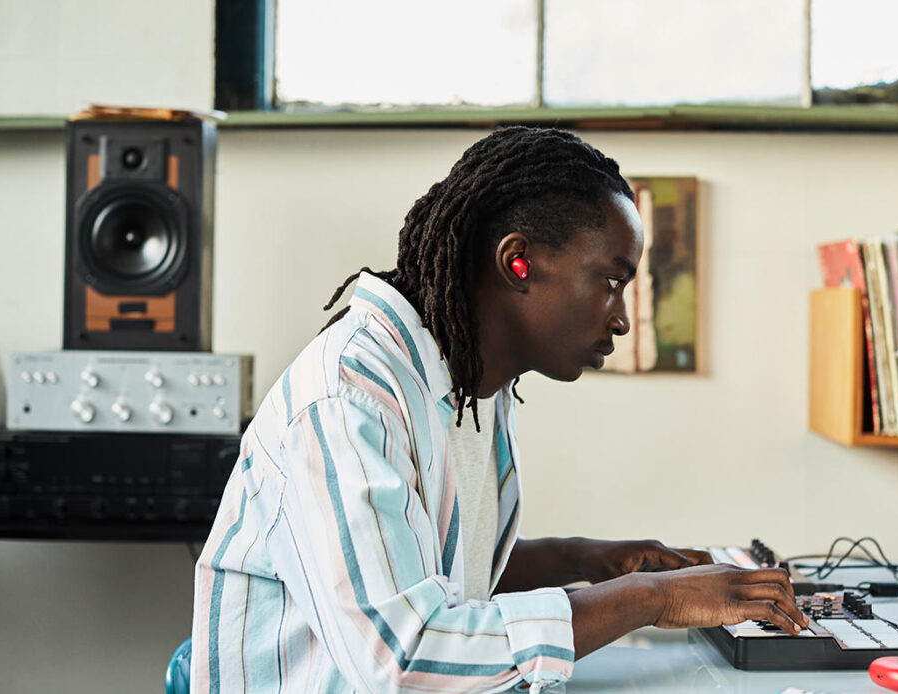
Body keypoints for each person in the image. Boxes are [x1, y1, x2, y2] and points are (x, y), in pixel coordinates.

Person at [191, 126, 807, 693]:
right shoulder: (350, 402)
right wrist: (649, 598)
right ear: (519, 263)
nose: (620, 317)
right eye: (611, 281)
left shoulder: (469, 385)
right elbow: (407, 660)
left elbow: (436, 569)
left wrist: (586, 557)